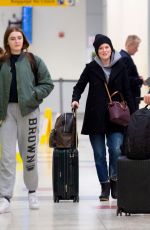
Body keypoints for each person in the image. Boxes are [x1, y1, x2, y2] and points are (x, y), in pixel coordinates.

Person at [71, 34, 135, 201]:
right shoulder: (91, 68)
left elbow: (127, 90)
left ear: (111, 48)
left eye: (107, 47)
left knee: (115, 149)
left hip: (117, 116)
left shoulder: (121, 66)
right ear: (97, 51)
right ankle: (104, 185)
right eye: (101, 48)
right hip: (95, 116)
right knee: (99, 154)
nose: (104, 50)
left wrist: (133, 114)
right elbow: (80, 85)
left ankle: (114, 180)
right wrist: (75, 99)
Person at [0, 26, 54, 214]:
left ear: (24, 40)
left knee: (29, 155)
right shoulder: (2, 62)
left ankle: (32, 192)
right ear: (7, 41)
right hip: (6, 114)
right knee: (6, 157)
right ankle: (5, 196)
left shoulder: (33, 60)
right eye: (13, 38)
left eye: (19, 38)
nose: (16, 41)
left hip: (29, 112)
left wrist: (33, 94)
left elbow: (48, 83)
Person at [120, 35, 144, 110]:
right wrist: (139, 80)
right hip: (130, 99)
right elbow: (125, 79)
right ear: (130, 44)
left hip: (129, 98)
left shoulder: (122, 55)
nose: (137, 50)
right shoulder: (125, 58)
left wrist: (137, 78)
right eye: (136, 47)